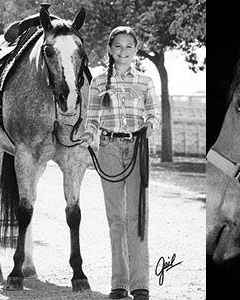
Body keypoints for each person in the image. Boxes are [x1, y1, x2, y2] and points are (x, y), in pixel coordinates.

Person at [79, 26, 158, 300]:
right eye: (118, 47)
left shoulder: (145, 81)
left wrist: (150, 124)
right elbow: (91, 119)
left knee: (137, 218)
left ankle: (140, 284)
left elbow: (153, 113)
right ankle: (119, 283)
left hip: (137, 147)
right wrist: (88, 136)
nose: (123, 51)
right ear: (110, 50)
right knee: (116, 219)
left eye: (129, 47)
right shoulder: (99, 82)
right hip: (109, 148)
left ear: (136, 50)